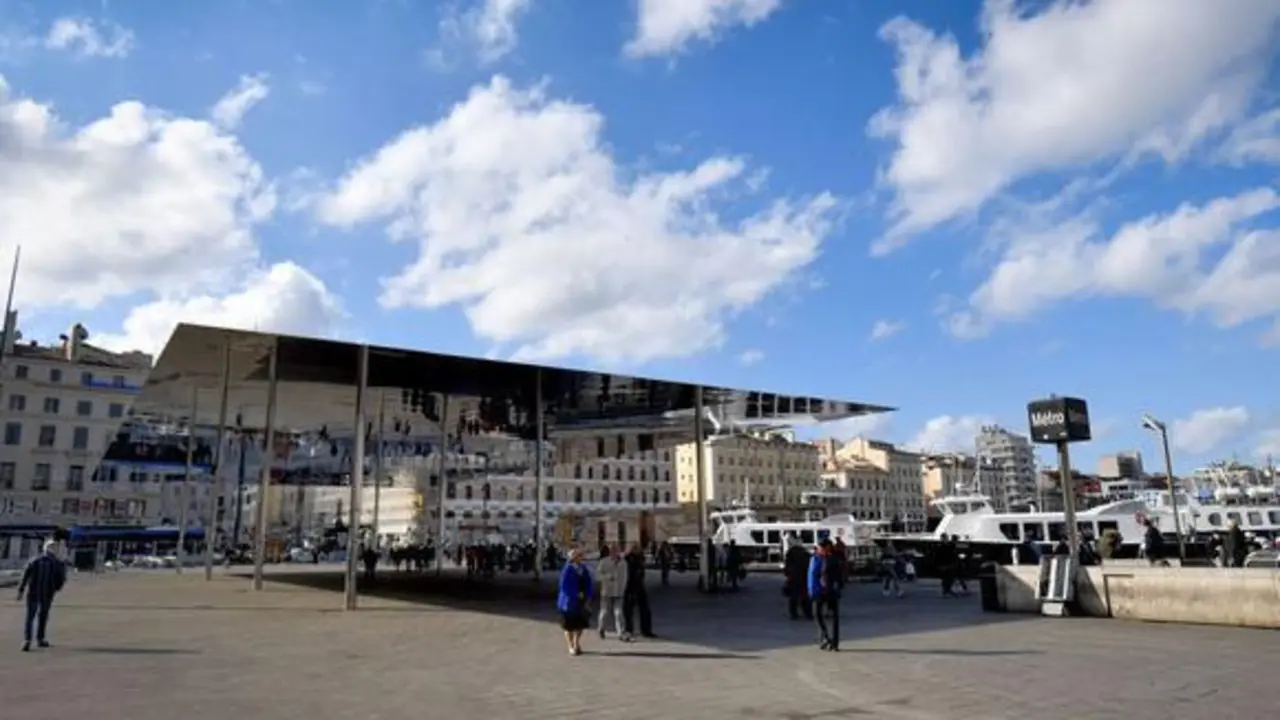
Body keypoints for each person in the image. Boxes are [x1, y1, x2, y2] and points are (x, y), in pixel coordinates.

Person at [17, 541, 67, 652]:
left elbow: (25, 575)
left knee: (31, 617)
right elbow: (61, 578)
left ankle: (28, 640)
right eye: (53, 547)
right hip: (46, 594)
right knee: (42, 616)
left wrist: (21, 590)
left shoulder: (35, 560)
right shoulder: (56, 562)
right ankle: (39, 639)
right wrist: (56, 589)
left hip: (35, 593)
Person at [556, 548, 594, 656]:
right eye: (577, 556)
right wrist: (576, 594)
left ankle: (577, 643)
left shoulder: (583, 569)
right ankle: (570, 645)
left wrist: (588, 595)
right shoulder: (567, 569)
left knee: (580, 624)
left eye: (580, 555)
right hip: (568, 602)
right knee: (569, 626)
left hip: (581, 601)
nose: (579, 557)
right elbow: (564, 586)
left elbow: (588, 582)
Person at [808, 540, 840, 651]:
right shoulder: (817, 558)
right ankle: (826, 640)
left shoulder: (825, 559)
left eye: (821, 547)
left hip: (823, 591)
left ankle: (827, 638)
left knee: (819, 615)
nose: (819, 549)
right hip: (819, 590)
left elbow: (821, 576)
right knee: (820, 615)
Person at [595, 544, 629, 641]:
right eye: (612, 551)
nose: (615, 553)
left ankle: (621, 632)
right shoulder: (604, 562)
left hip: (619, 591)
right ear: (610, 552)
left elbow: (625, 577)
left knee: (618, 613)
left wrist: (623, 588)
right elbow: (597, 576)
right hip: (607, 591)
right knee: (604, 612)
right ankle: (601, 628)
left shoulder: (623, 563)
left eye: (616, 550)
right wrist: (607, 577)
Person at [623, 543, 656, 638]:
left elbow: (641, 572)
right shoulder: (628, 559)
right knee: (629, 610)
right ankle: (630, 630)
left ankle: (645, 630)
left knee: (643, 609)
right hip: (630, 586)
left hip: (638, 586)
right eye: (635, 548)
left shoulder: (639, 558)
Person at [783, 535, 813, 620]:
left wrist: (788, 574)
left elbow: (787, 566)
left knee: (794, 597)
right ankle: (808, 613)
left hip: (795, 577)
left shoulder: (791, 552)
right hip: (804, 577)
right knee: (805, 596)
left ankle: (794, 613)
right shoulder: (805, 553)